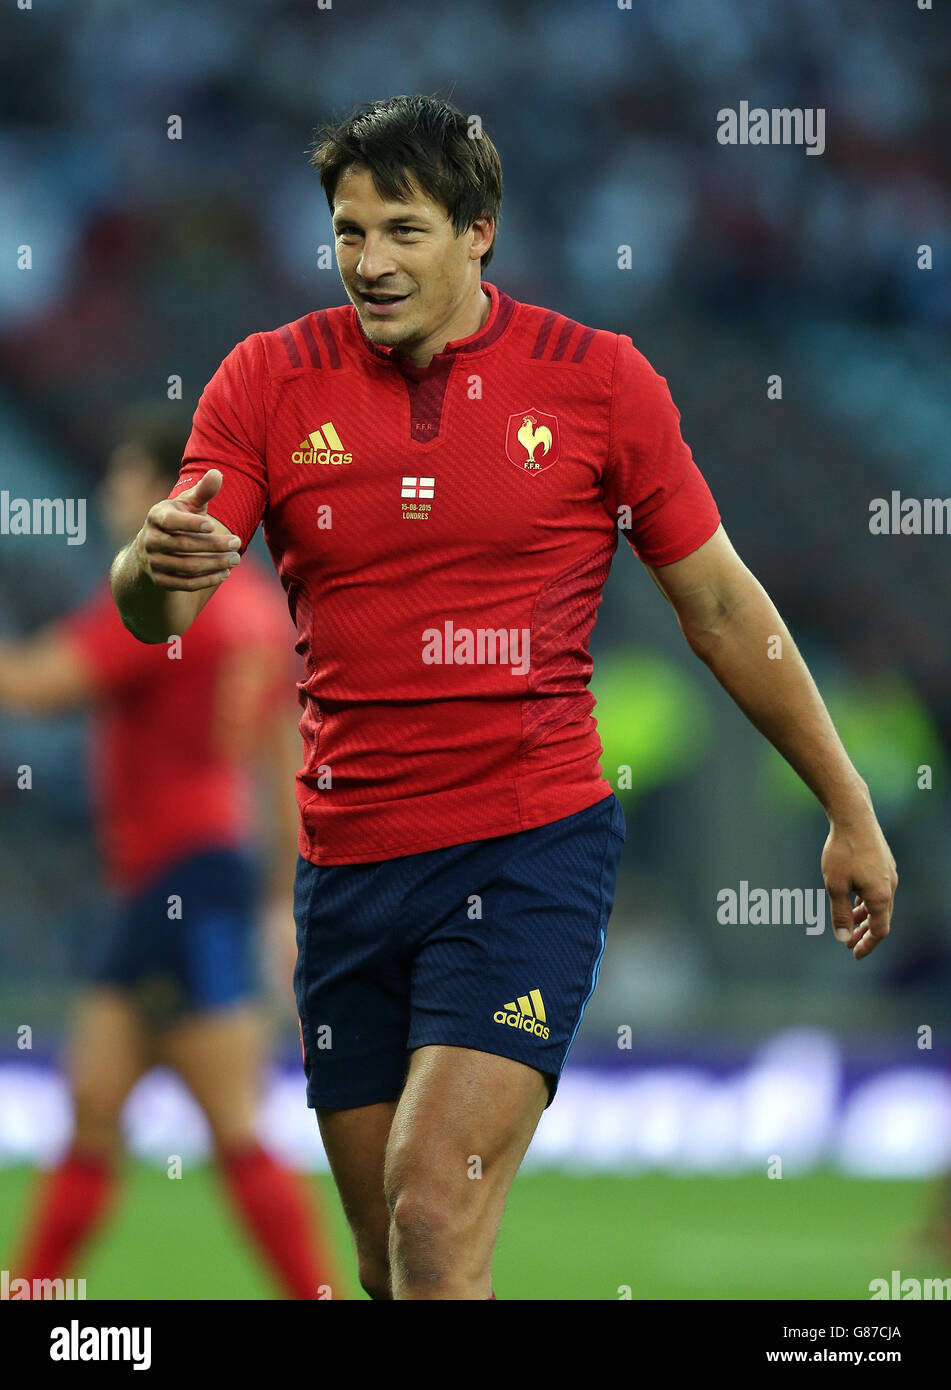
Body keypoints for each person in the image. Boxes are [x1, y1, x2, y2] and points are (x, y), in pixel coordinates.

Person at [109, 96, 898, 1301]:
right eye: (349, 230)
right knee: (389, 1257)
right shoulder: (267, 380)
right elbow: (159, 607)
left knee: (432, 1213)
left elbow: (725, 609)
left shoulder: (600, 384)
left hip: (526, 851)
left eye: (404, 230)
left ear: (480, 232)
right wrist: (146, 570)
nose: (369, 262)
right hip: (348, 869)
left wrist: (847, 804)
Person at [1, 408, 338, 1299]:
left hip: (171, 880)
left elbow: (33, 687)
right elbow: (283, 768)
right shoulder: (261, 612)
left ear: (163, 491)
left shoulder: (161, 593)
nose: (108, 494)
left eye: (118, 477)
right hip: (211, 874)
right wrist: (276, 900)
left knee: (218, 1121)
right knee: (101, 1106)